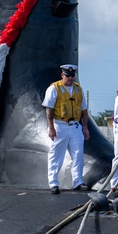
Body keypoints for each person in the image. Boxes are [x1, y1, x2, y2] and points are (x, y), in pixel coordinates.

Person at [43, 64, 89, 194]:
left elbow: (84, 111)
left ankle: (78, 182)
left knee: (78, 155)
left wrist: (85, 128)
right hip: (59, 126)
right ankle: (53, 183)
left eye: (72, 76)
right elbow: (49, 109)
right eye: (68, 76)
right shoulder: (54, 88)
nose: (70, 78)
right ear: (62, 75)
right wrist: (51, 128)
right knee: (56, 155)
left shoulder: (78, 89)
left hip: (75, 126)